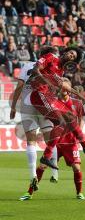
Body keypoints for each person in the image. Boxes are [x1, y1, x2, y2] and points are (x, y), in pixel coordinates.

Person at [29, 45, 85, 169]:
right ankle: (46, 157)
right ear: (65, 52)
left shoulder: (61, 71)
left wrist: (79, 95)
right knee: (62, 122)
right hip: (39, 93)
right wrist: (46, 82)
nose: (71, 55)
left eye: (73, 56)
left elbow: (65, 86)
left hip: (48, 96)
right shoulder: (51, 57)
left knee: (70, 117)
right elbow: (35, 70)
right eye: (70, 53)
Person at [19, 78, 85, 201]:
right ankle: (29, 192)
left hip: (70, 141)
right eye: (62, 87)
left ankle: (79, 193)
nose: (64, 89)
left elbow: (81, 120)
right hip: (55, 140)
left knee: (76, 168)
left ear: (69, 89)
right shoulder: (52, 102)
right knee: (42, 166)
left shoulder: (77, 103)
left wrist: (78, 135)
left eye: (67, 87)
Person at [10, 62, 58, 192]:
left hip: (27, 105)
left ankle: (33, 175)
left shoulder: (26, 66)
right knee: (50, 141)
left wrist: (13, 106)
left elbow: (20, 86)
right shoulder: (50, 66)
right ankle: (55, 173)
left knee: (31, 141)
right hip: (43, 104)